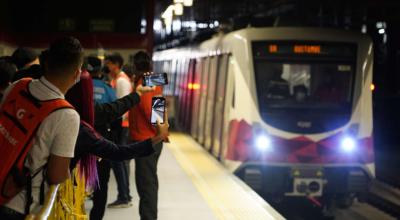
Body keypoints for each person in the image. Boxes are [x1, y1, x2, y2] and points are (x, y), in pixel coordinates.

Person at [0, 37, 82, 219]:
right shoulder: (66, 114)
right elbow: (56, 175)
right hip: (20, 205)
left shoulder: (18, 86)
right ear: (77, 74)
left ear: (46, 64)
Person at [130, 51, 164, 220]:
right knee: (149, 182)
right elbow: (159, 102)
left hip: (147, 140)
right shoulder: (154, 78)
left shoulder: (144, 81)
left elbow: (147, 107)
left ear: (135, 66)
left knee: (146, 184)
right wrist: (162, 130)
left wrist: (160, 130)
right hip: (152, 139)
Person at [105, 53, 133, 208]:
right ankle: (125, 195)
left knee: (118, 161)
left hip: (121, 127)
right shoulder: (119, 79)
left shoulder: (121, 81)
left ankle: (124, 196)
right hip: (122, 126)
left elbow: (122, 106)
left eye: (108, 63)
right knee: (119, 161)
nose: (107, 67)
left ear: (115, 64)